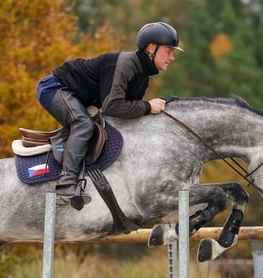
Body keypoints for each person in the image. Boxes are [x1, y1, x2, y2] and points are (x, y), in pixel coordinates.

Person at [36, 21, 183, 208]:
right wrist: (147, 107)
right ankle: (66, 184)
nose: (172, 57)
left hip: (79, 97)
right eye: (169, 51)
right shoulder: (126, 64)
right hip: (54, 88)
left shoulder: (142, 76)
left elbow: (124, 116)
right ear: (151, 48)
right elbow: (112, 107)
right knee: (83, 124)